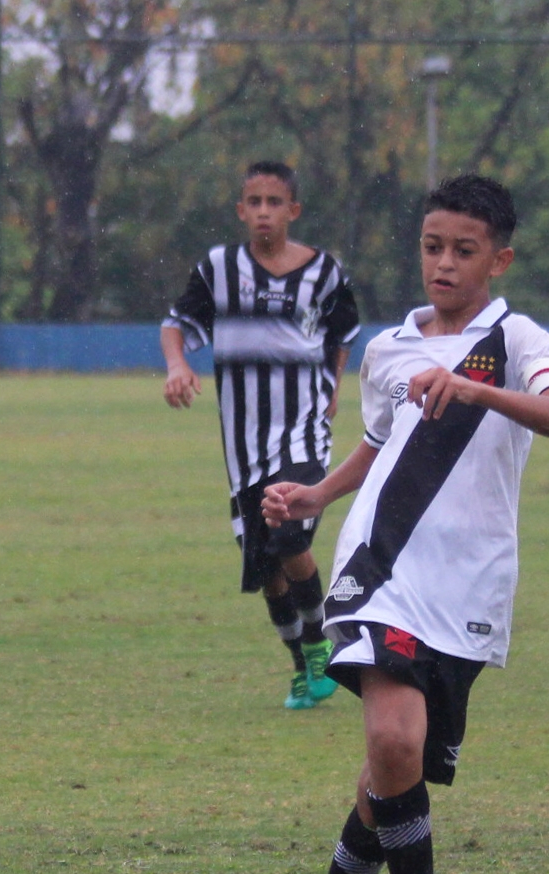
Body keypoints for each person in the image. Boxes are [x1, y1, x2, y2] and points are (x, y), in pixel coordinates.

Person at [236, 175, 549, 874]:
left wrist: (477, 389)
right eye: (432, 247)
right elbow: (378, 444)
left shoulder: (517, 338)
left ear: (499, 260)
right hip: (379, 567)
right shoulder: (391, 348)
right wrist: (317, 495)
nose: (445, 263)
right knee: (394, 738)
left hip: (468, 585)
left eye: (465, 250)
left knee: (393, 773)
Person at [161, 161, 362, 710]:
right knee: (267, 568)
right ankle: (303, 667)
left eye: (275, 202)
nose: (264, 212)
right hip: (243, 446)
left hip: (302, 432)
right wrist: (177, 365)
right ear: (241, 211)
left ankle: (319, 644)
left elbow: (342, 332)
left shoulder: (324, 272)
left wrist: (333, 386)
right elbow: (177, 324)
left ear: (293, 211)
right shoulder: (219, 269)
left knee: (290, 533)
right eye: (255, 202)